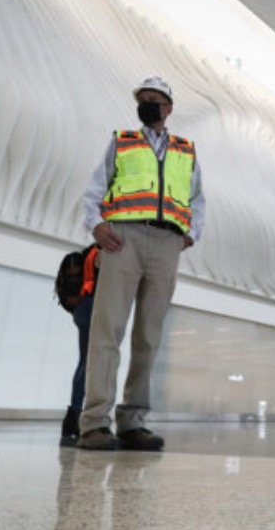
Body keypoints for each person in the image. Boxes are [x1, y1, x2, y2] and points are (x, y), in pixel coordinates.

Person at [77, 76, 205, 451]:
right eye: (143, 99)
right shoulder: (122, 141)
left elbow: (198, 200)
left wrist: (189, 235)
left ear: (169, 108)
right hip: (122, 239)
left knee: (149, 336)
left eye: (155, 99)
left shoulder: (186, 150)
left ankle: (133, 422)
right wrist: (97, 225)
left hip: (167, 243)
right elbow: (94, 189)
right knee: (107, 331)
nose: (147, 104)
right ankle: (95, 422)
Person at [55, 244, 100, 445]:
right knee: (88, 362)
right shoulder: (89, 257)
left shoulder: (86, 256)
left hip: (83, 311)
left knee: (87, 361)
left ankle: (75, 417)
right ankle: (75, 417)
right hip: (88, 309)